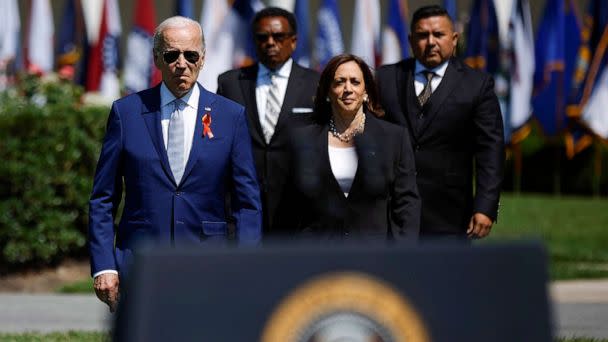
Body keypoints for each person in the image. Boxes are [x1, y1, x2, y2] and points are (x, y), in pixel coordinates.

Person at [88, 16, 262, 312]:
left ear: (202, 59)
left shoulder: (230, 116)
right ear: (157, 58)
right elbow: (103, 198)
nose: (181, 63)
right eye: (171, 55)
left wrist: (244, 262)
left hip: (209, 263)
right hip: (140, 260)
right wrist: (105, 265)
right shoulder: (126, 113)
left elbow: (247, 203)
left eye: (190, 55)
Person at [376, 5, 504, 240]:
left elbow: (491, 151)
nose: (431, 42)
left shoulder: (477, 85)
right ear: (410, 39)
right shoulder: (385, 78)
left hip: (451, 215)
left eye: (439, 34)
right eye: (423, 35)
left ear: (454, 39)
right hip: (390, 212)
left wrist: (486, 207)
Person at [281, 54, 420, 240]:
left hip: (374, 259)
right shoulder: (303, 139)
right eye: (339, 82)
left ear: (366, 92)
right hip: (318, 258)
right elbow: (291, 207)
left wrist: (401, 255)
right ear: (329, 92)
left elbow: (406, 204)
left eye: (355, 82)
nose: (348, 89)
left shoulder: (394, 138)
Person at [217, 7, 319, 235]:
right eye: (263, 37)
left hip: (298, 213)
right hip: (242, 211)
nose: (270, 42)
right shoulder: (230, 83)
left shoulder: (316, 84)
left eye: (278, 36)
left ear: (293, 41)